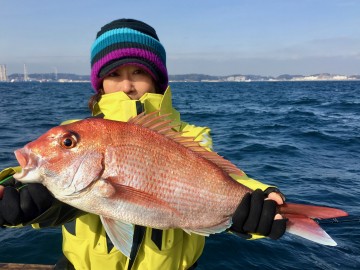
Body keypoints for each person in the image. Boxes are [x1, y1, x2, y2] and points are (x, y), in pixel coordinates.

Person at [0, 19, 287, 270]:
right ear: (100, 83)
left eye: (138, 72)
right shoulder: (81, 129)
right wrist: (19, 198)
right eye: (114, 74)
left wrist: (261, 199)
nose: (126, 85)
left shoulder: (191, 135)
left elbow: (225, 180)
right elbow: (36, 176)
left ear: (156, 78)